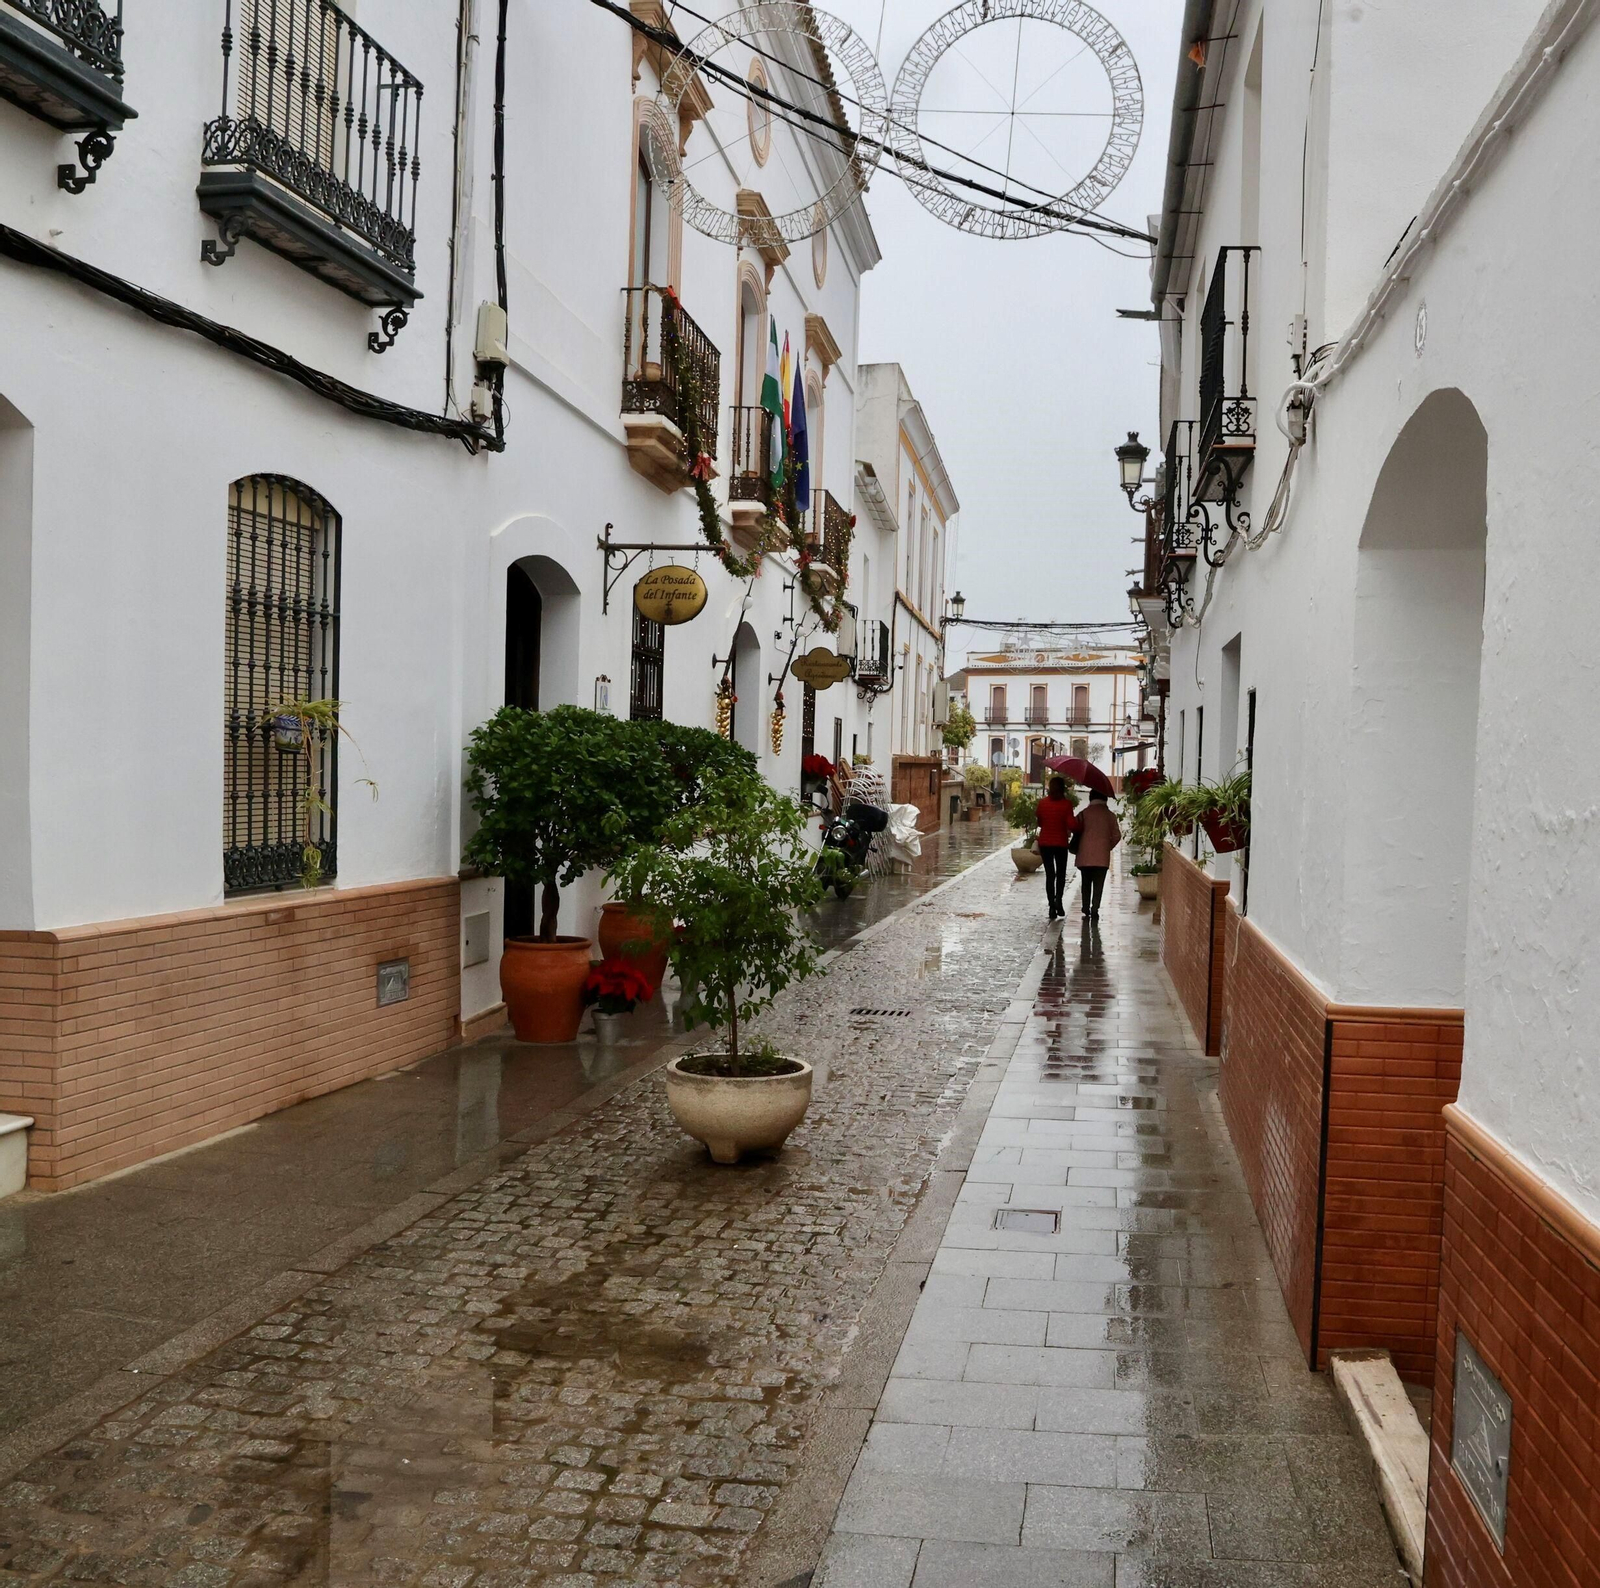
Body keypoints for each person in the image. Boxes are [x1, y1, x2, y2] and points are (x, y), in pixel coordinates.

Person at [1073, 786, 1121, 919]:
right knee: (1098, 884)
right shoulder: (1110, 816)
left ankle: (1085, 906)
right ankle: (1095, 908)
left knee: (1086, 883)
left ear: (1090, 798)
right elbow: (1117, 836)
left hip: (1084, 855)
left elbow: (1073, 827)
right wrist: (1107, 846)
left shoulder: (1083, 814)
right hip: (1102, 857)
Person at [1035, 776, 1078, 920]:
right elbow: (1071, 825)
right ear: (1063, 788)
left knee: (1050, 875)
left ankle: (1051, 906)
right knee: (1060, 874)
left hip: (1045, 843)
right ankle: (1058, 899)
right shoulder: (1066, 804)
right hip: (1060, 843)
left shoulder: (1042, 803)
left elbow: (1040, 822)